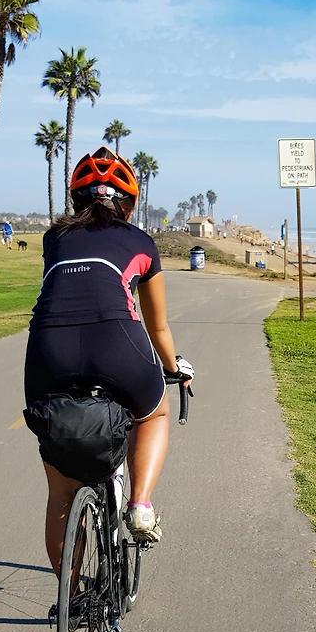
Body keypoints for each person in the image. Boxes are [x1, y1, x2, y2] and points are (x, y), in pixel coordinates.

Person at [25, 147, 193, 574]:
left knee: (61, 493)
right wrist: (174, 369)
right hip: (118, 346)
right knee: (154, 413)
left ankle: (70, 597)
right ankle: (140, 505)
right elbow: (158, 328)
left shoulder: (53, 238)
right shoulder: (141, 242)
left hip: (48, 351)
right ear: (130, 205)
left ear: (76, 200)